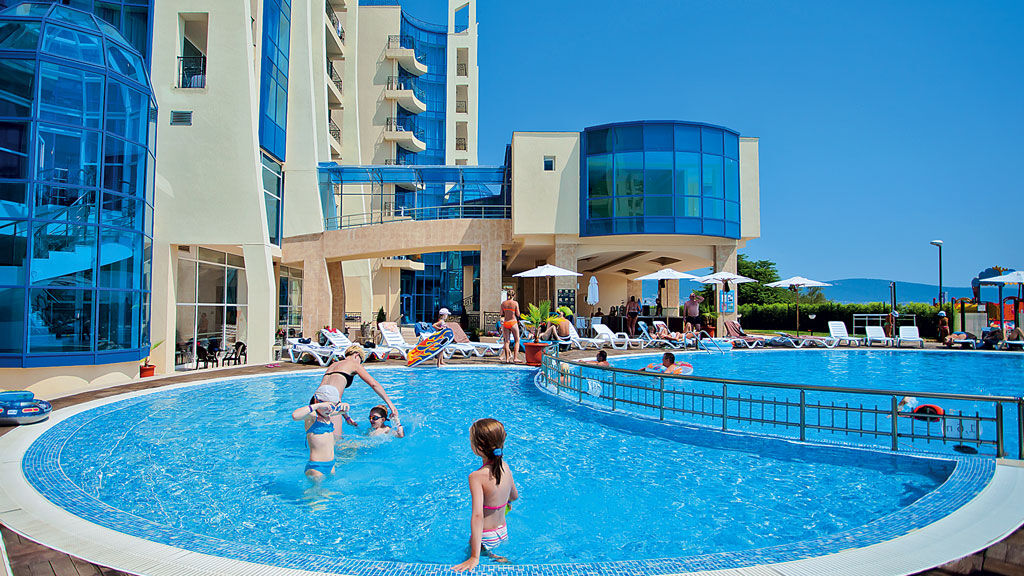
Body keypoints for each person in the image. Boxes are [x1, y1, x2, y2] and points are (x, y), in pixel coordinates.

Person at [452, 418, 519, 571]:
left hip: (485, 536)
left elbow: (477, 516)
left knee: (468, 561)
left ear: (479, 447)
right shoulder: (505, 467)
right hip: (502, 531)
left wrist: (474, 557)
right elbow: (514, 496)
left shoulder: (476, 477)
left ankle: (492, 557)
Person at [318, 344, 399, 436]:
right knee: (336, 441)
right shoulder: (354, 364)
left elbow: (328, 393)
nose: (360, 364)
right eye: (361, 361)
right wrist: (391, 406)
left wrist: (346, 417)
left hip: (315, 402)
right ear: (356, 355)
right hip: (330, 405)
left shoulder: (333, 365)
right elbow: (374, 384)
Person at [291, 385, 349, 479]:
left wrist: (345, 406)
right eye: (326, 406)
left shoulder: (327, 415)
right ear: (316, 401)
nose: (330, 410)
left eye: (332, 406)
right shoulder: (312, 416)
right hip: (316, 467)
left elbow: (342, 411)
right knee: (316, 489)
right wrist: (317, 406)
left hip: (331, 465)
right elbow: (295, 416)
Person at [499, 291, 521, 364]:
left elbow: (501, 313)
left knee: (506, 341)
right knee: (517, 340)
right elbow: (518, 314)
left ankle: (507, 359)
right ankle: (515, 358)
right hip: (513, 322)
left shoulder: (503, 303)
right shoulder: (515, 303)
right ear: (514, 296)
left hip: (506, 322)